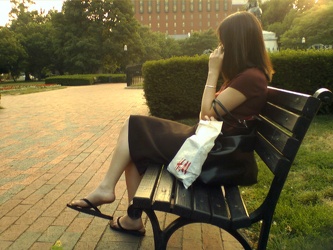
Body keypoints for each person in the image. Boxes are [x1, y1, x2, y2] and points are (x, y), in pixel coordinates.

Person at [67, 11, 274, 236]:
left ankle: (113, 196)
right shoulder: (247, 76)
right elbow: (206, 114)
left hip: (213, 154)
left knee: (133, 130)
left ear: (237, 43)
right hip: (209, 145)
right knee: (133, 134)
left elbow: (205, 113)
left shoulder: (250, 78)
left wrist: (212, 72)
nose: (220, 49)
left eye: (224, 43)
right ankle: (128, 214)